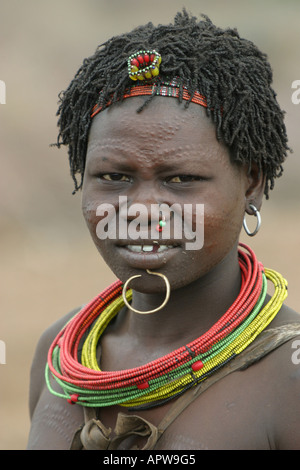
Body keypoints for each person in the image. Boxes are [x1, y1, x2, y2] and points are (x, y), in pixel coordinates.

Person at [27, 10, 300, 450]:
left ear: (252, 182)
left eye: (181, 180)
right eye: (114, 177)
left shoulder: (288, 377)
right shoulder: (60, 357)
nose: (141, 210)